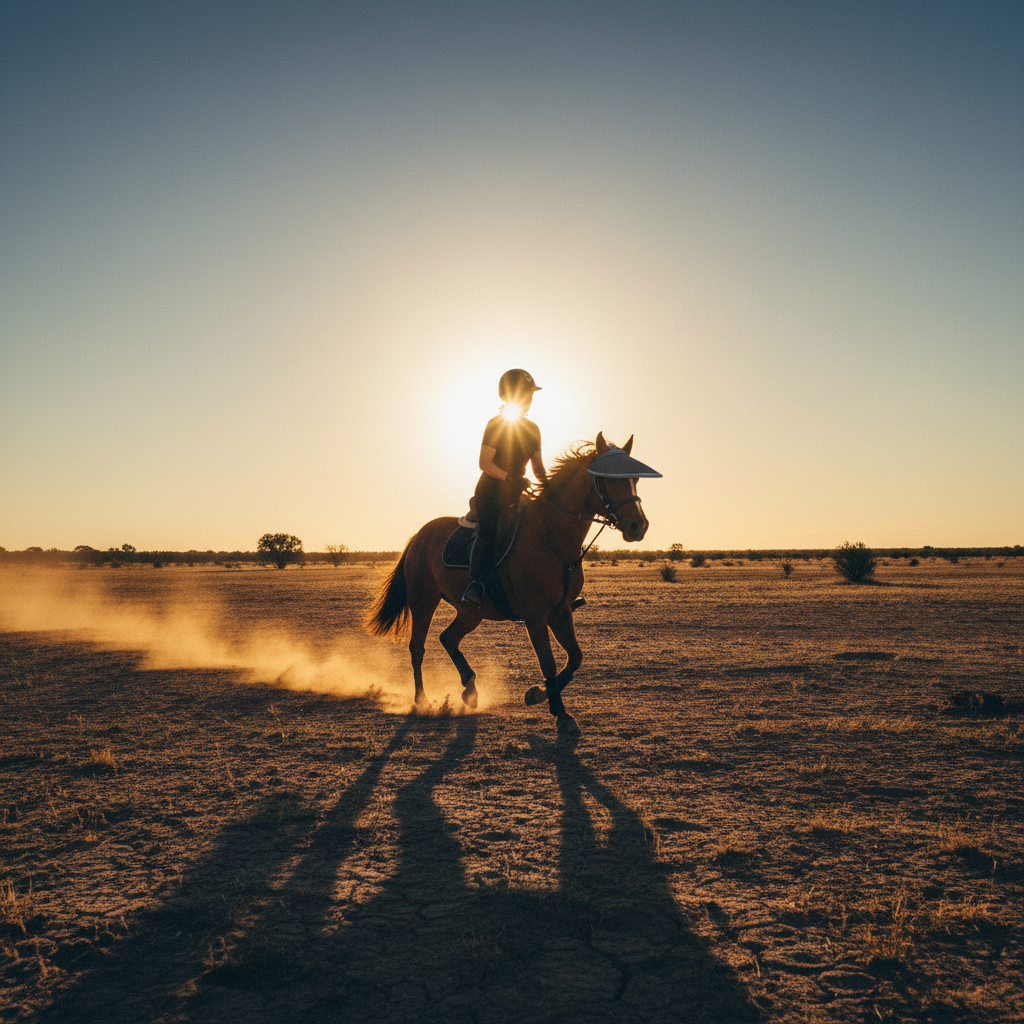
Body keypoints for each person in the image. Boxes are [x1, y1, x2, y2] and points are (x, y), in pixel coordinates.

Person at [461, 369, 547, 607]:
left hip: (516, 490)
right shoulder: (495, 425)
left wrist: (550, 486)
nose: (530, 398)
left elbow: (538, 467)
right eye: (527, 393)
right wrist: (509, 477)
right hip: (490, 492)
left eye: (531, 393)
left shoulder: (533, 429)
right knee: (489, 530)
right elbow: (485, 463)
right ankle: (474, 584)